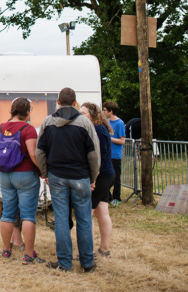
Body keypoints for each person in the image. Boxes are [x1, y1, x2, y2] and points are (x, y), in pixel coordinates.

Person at [36, 87, 100, 273]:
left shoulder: (47, 122)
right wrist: (93, 177)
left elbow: (40, 151)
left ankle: (64, 262)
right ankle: (87, 262)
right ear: (75, 103)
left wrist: (45, 172)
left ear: (57, 101)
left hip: (56, 177)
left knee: (62, 219)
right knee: (84, 219)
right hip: (81, 177)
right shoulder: (85, 123)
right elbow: (94, 154)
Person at [0, 97, 46, 265]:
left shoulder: (1, 127)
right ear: (27, 112)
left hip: (5, 174)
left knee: (7, 213)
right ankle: (29, 254)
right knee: (28, 216)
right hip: (25, 174)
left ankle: (5, 249)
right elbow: (33, 154)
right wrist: (42, 171)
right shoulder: (28, 129)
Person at [81, 102, 115, 261]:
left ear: (93, 115)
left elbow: (99, 158)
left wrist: (92, 179)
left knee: (87, 213)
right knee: (102, 212)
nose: (81, 116)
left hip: (101, 176)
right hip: (107, 174)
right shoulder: (99, 127)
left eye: (84, 113)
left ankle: (90, 251)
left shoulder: (97, 129)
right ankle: (104, 249)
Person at [103, 101, 125, 205]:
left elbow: (122, 141)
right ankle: (109, 196)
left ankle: (117, 198)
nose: (103, 112)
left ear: (111, 111)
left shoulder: (119, 123)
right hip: (107, 154)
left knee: (116, 177)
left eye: (105, 110)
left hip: (115, 154)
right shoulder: (107, 122)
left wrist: (109, 138)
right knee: (106, 177)